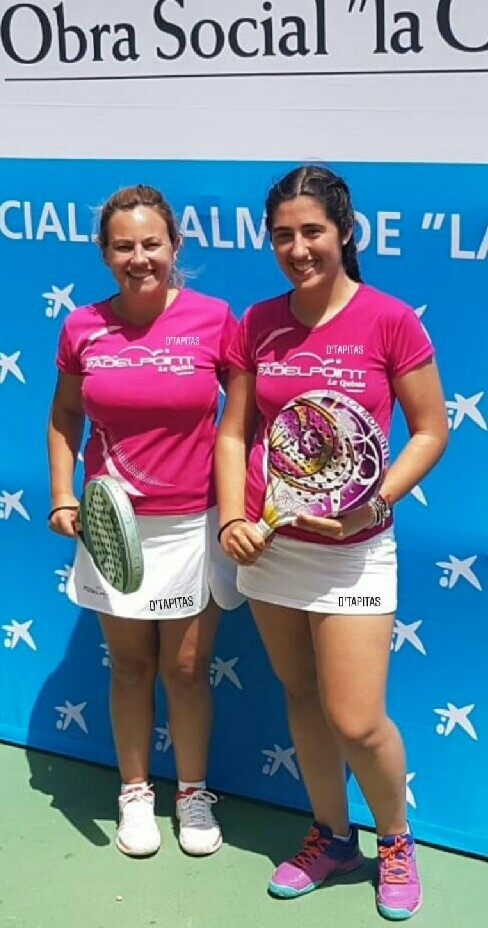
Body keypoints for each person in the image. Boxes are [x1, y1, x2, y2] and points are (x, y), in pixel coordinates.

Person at [215, 165, 448, 920]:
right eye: (282, 235)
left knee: (356, 718)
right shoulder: (257, 322)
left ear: (345, 232)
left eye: (312, 231)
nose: (297, 248)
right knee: (303, 698)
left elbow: (431, 430)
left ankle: (395, 840)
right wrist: (232, 517)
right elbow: (234, 433)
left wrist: (369, 506)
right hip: (270, 547)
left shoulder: (389, 320)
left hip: (356, 548)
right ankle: (332, 836)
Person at [48, 184, 243, 859]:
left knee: (186, 670)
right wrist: (64, 495)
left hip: (194, 524)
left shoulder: (215, 319)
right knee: (130, 667)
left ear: (174, 246)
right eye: (124, 246)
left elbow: (243, 419)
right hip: (113, 526)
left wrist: (239, 506)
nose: (140, 258)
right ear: (105, 254)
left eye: (152, 244)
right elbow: (65, 415)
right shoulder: (82, 326)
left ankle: (192, 793)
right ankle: (135, 792)